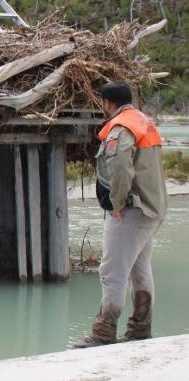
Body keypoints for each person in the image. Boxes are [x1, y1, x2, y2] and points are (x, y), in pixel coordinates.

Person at [75, 82, 167, 348]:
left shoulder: (120, 128)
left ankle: (103, 333)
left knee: (112, 271)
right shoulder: (143, 121)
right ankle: (140, 329)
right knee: (140, 270)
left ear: (107, 103)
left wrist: (117, 202)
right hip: (152, 208)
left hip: (132, 210)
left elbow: (120, 166)